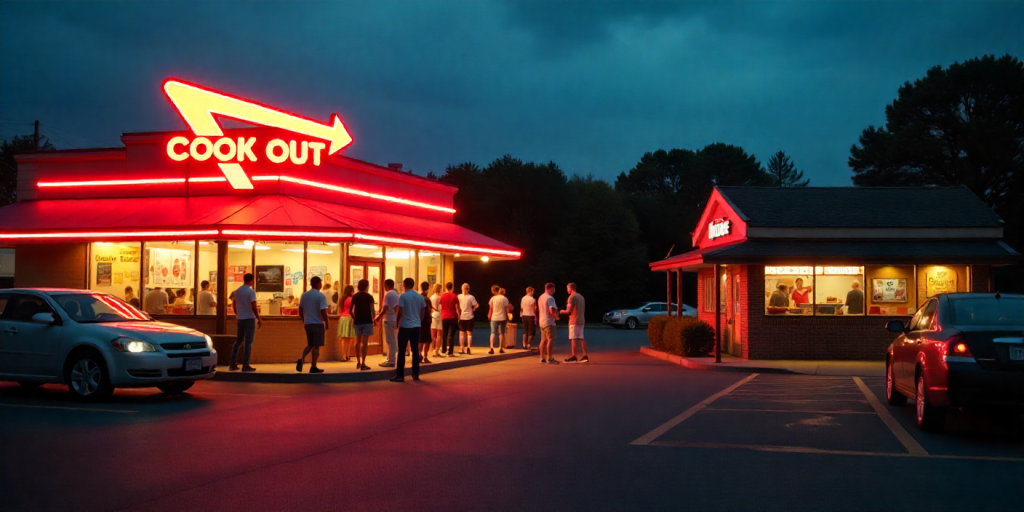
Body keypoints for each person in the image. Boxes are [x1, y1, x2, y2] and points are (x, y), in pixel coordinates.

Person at [392, 277, 426, 382]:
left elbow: (400, 311)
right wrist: (418, 320)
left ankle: (400, 375)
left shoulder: (402, 296)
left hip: (405, 326)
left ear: (404, 285)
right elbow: (423, 312)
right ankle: (415, 374)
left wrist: (397, 323)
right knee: (415, 350)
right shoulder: (420, 297)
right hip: (416, 326)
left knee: (402, 351)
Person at [296, 276, 329, 374]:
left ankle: (302, 358)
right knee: (316, 346)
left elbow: (300, 310)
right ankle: (313, 366)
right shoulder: (320, 296)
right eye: (320, 283)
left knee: (310, 344)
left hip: (308, 323)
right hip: (317, 323)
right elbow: (323, 311)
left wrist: (304, 319)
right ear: (318, 283)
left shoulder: (304, 295)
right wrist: (326, 322)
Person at [229, 273, 261, 372]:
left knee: (238, 341)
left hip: (240, 318)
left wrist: (238, 314)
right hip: (249, 318)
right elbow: (253, 306)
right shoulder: (251, 292)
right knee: (248, 342)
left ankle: (232, 363)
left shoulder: (237, 291)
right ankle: (245, 365)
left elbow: (234, 305)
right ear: (252, 281)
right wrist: (258, 318)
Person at [560, 282, 588, 363]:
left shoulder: (571, 297)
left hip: (574, 320)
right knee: (581, 338)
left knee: (573, 338)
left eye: (567, 288)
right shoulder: (581, 297)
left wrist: (561, 311)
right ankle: (585, 355)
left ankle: (574, 355)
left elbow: (569, 311)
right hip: (581, 320)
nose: (567, 290)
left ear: (570, 288)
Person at [350, 279, 375, 371]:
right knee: (365, 343)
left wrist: (354, 317)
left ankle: (358, 361)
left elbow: (350, 310)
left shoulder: (355, 296)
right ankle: (363, 362)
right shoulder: (369, 297)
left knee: (357, 341)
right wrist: (373, 319)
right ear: (366, 286)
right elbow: (372, 310)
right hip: (367, 321)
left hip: (357, 321)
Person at [375, 279, 399, 368]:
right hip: (394, 318)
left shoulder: (388, 294)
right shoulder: (397, 294)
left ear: (386, 285)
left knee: (390, 340)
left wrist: (378, 316)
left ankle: (391, 360)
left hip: (388, 319)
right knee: (393, 339)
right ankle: (391, 358)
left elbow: (385, 307)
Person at [537, 283, 559, 364]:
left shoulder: (541, 297)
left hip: (541, 321)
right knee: (550, 339)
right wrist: (555, 316)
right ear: (547, 289)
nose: (553, 291)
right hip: (549, 321)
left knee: (543, 340)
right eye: (552, 289)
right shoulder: (550, 298)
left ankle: (541, 357)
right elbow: (551, 309)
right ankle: (549, 357)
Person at [488, 285, 511, 354]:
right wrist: (508, 316)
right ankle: (501, 348)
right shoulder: (504, 298)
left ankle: (491, 348)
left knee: (492, 332)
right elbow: (507, 309)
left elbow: (491, 309)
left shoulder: (492, 298)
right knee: (501, 333)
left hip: (494, 317)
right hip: (502, 318)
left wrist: (489, 315)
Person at [457, 283, 479, 354]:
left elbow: (456, 306)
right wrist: (474, 309)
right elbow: (477, 305)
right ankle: (468, 347)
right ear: (468, 289)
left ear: (461, 289)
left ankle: (461, 348)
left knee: (461, 333)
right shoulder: (471, 297)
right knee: (469, 333)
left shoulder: (459, 296)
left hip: (462, 316)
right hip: (470, 316)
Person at [439, 282, 459, 357]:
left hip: (444, 316)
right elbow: (457, 307)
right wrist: (459, 315)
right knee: (451, 335)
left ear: (446, 287)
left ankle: (443, 350)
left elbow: (441, 307)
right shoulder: (454, 296)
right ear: (452, 287)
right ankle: (450, 351)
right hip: (453, 316)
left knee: (444, 334)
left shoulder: (443, 296)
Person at [337, 284, 356, 362]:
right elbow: (353, 310)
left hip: (342, 318)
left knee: (343, 338)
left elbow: (340, 310)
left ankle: (344, 355)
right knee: (349, 338)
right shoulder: (352, 299)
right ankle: (347, 354)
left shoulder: (342, 299)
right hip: (349, 318)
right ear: (351, 291)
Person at [419, 281, 434, 364]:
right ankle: (425, 357)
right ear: (428, 288)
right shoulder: (427, 299)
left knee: (420, 340)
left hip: (418, 321)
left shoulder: (418, 297)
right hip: (425, 321)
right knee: (427, 340)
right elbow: (427, 310)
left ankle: (419, 355)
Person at [429, 283, 444, 358]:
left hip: (433, 315)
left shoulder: (432, 297)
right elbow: (441, 307)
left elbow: (430, 307)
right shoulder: (440, 297)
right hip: (439, 314)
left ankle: (433, 348)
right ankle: (437, 350)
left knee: (433, 333)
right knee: (439, 334)